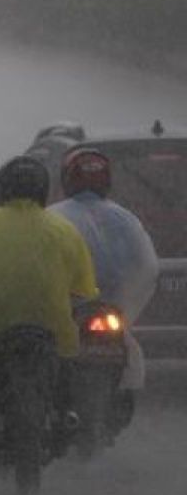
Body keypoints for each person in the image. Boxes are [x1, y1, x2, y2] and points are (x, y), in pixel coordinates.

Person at [0, 155, 99, 437]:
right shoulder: (63, 230)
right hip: (50, 322)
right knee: (68, 357)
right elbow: (84, 286)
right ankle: (68, 407)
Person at [47, 148, 159, 394]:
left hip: (68, 311)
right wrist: (123, 305)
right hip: (110, 311)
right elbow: (147, 268)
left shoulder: (52, 218)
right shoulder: (126, 219)